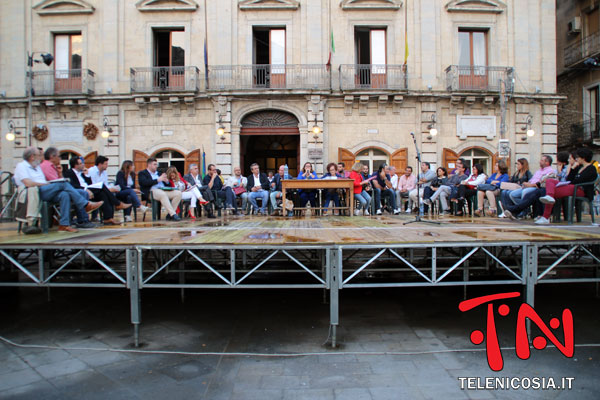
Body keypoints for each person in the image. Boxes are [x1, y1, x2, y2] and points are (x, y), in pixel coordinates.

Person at [14, 147, 103, 232]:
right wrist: (45, 184)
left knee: (65, 194)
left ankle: (64, 224)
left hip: (45, 190)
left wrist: (57, 176)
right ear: (32, 157)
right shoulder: (21, 166)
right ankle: (85, 204)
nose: (42, 157)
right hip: (35, 191)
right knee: (63, 184)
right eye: (39, 155)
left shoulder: (37, 167)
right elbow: (27, 183)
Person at [534, 148, 598, 224]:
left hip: (581, 190)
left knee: (550, 193)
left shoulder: (591, 168)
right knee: (549, 181)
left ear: (583, 158)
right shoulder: (579, 167)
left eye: (578, 157)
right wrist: (573, 168)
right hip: (573, 187)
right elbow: (569, 179)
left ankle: (545, 217)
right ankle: (548, 205)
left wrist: (569, 182)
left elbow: (578, 181)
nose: (576, 159)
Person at [86, 155, 132, 225]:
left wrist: (112, 189)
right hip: (91, 192)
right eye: (106, 164)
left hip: (101, 192)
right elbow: (93, 185)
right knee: (105, 191)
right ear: (100, 164)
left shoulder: (104, 173)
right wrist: (108, 189)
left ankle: (108, 218)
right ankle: (117, 204)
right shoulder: (91, 171)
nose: (107, 165)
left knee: (106, 195)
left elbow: (105, 185)